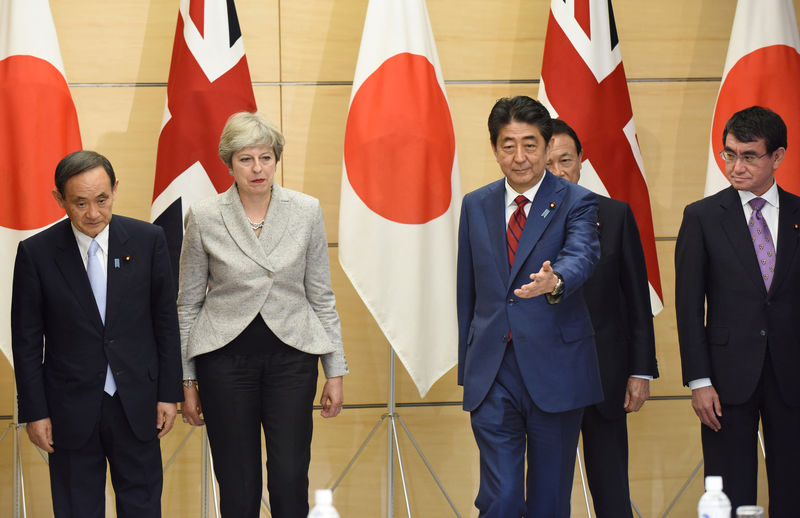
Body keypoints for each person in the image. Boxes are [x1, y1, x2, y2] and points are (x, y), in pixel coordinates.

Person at [178, 111, 348, 517]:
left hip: (293, 360)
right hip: (223, 362)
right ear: (229, 163)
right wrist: (187, 379)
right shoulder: (204, 216)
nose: (258, 169)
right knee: (237, 482)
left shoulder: (306, 210)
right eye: (246, 159)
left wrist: (335, 370)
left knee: (291, 476)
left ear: (277, 159)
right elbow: (187, 303)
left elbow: (321, 296)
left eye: (266, 158)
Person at [11, 150, 183, 517]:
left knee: (142, 505)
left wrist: (169, 393)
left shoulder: (148, 241)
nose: (93, 214)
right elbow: (26, 341)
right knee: (77, 508)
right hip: (68, 409)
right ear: (59, 199)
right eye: (80, 202)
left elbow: (166, 323)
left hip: (137, 403)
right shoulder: (36, 254)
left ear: (115, 190)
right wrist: (35, 411)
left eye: (102, 200)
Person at [457, 95, 602, 517]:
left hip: (555, 369)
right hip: (493, 370)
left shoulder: (576, 200)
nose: (519, 157)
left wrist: (555, 280)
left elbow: (582, 255)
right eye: (508, 145)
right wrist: (469, 367)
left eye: (530, 144)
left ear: (545, 144)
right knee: (499, 499)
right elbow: (469, 289)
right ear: (494, 148)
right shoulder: (475, 204)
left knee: (548, 500)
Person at [675, 105, 800, 516]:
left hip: (792, 375)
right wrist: (699, 380)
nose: (736, 166)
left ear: (778, 156)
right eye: (729, 154)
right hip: (726, 380)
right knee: (729, 494)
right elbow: (689, 307)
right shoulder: (703, 217)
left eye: (749, 156)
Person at [547, 119, 659, 518]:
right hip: (545, 381)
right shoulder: (522, 223)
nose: (559, 171)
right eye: (549, 162)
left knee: (612, 494)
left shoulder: (613, 214)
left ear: (582, 162)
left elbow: (635, 299)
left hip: (604, 377)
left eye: (566, 160)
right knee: (545, 495)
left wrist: (641, 370)